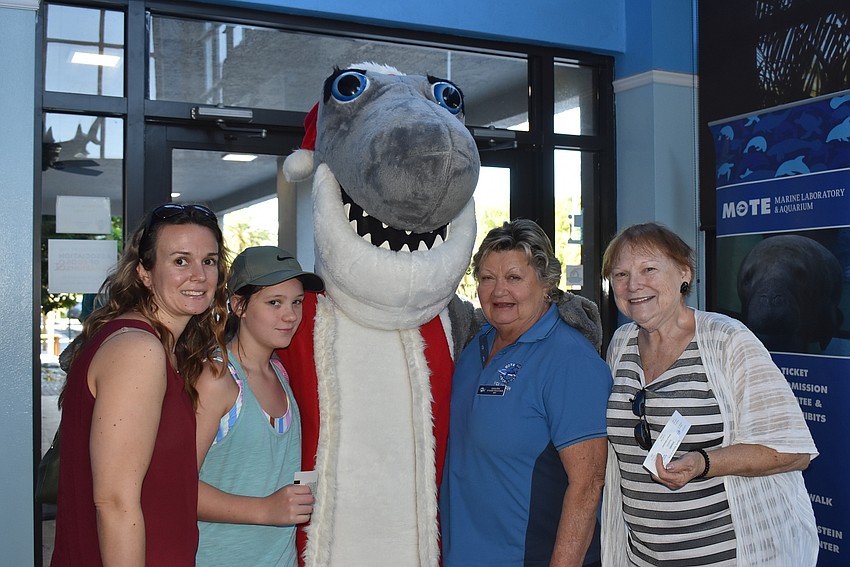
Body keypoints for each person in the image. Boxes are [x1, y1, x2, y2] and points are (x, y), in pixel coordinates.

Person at [600, 222, 819, 566]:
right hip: (643, 556)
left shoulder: (728, 340)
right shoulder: (620, 344)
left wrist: (703, 463)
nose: (633, 285)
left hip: (730, 556)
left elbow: (793, 452)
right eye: (620, 274)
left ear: (683, 273)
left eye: (649, 269)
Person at [51, 203, 228, 567]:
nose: (198, 275)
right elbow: (114, 502)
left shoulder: (160, 347)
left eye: (208, 261)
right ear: (144, 273)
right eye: (180, 261)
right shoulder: (138, 350)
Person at [440, 219, 612, 567]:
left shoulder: (570, 359)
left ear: (546, 283)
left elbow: (588, 483)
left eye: (514, 278)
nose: (498, 291)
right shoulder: (474, 346)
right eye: (487, 278)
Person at [195, 246, 323, 566]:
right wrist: (265, 509)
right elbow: (174, 486)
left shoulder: (280, 371)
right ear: (238, 305)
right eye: (274, 302)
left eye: (296, 302)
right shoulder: (216, 377)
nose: (290, 315)